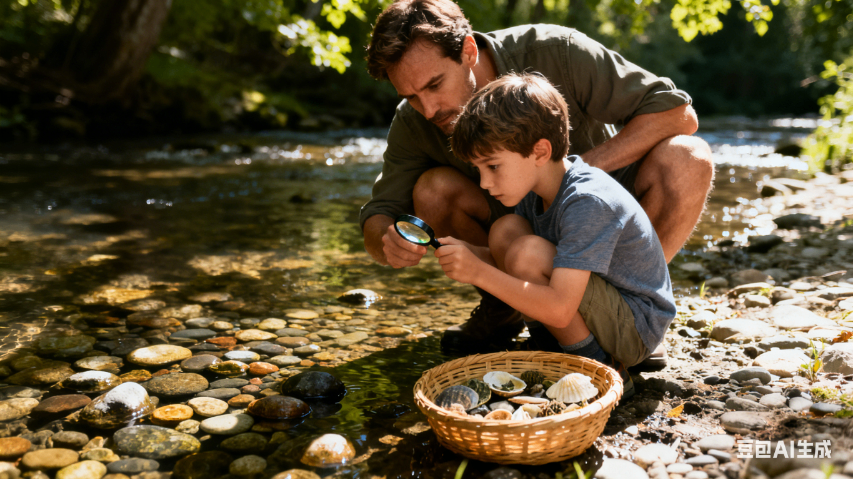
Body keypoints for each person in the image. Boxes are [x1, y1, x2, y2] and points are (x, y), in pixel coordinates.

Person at [360, 0, 711, 356]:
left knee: (687, 157)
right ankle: (508, 307)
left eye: (435, 84)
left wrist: (573, 176)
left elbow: (677, 114)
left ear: (468, 50)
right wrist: (387, 241)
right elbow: (380, 212)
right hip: (524, 243)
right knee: (434, 190)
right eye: (411, 97)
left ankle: (627, 313)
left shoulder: (556, 51)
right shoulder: (414, 120)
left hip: (599, 219)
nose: (429, 109)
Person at [438, 72, 676, 398]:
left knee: (527, 254)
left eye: (492, 167)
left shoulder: (586, 200)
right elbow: (505, 260)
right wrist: (464, 252)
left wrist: (479, 272)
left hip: (635, 327)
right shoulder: (536, 189)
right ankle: (552, 346)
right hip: (599, 307)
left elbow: (560, 307)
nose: (484, 183)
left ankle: (597, 364)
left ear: (539, 151)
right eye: (479, 170)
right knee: (505, 231)